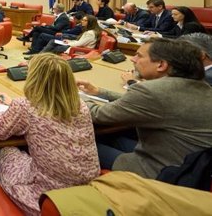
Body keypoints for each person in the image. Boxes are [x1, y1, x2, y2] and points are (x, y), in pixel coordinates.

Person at [0, 54, 100, 215]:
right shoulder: (81, 105)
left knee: (1, 152)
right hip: (87, 190)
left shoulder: (27, 107)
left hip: (47, 196)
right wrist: (13, 103)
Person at [76, 38, 212, 178]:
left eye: (139, 56)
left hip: (161, 171)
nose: (133, 59)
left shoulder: (153, 91)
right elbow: (138, 104)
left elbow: (96, 114)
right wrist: (99, 92)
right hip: (187, 164)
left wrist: (68, 96)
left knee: (77, 143)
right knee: (109, 136)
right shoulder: (201, 85)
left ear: (161, 65)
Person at [29, 15, 101, 56]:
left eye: (85, 20)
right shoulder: (89, 31)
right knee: (53, 42)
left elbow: (79, 43)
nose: (82, 21)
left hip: (79, 49)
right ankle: (38, 57)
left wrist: (68, 42)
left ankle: (38, 57)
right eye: (83, 20)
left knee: (53, 45)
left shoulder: (90, 33)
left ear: (90, 22)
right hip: (74, 45)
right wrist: (69, 41)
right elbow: (79, 41)